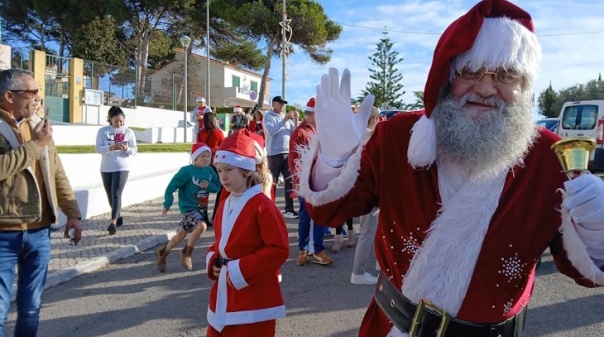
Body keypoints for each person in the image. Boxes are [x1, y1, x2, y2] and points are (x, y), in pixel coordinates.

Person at [297, 1, 604, 337]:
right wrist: (334, 157)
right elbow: (329, 212)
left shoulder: (549, 156)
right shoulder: (399, 136)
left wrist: (595, 226)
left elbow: (586, 272)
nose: (486, 89)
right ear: (446, 76)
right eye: (470, 71)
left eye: (506, 76)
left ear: (524, 86)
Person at [0, 69, 82, 337]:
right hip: (4, 234)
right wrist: (36, 144)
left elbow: (56, 172)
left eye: (37, 91)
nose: (37, 97)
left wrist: (72, 212)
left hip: (40, 232)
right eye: (31, 92)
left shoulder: (37, 126)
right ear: (9, 96)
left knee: (31, 309)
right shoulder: (33, 134)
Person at [206, 130, 289, 337]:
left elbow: (279, 249)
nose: (223, 176)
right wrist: (214, 261)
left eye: (228, 169)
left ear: (246, 170)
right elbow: (220, 244)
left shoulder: (263, 206)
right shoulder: (225, 204)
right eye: (219, 170)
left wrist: (238, 270)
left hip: (253, 296)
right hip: (224, 293)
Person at [156, 142, 219, 272]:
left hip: (200, 209)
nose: (206, 158)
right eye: (203, 156)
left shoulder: (210, 171)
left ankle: (163, 252)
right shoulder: (187, 171)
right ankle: (186, 252)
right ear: (194, 158)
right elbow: (171, 187)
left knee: (181, 234)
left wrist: (208, 186)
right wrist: (167, 203)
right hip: (188, 208)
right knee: (202, 226)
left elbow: (217, 188)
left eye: (208, 156)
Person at [289, 97, 332, 266]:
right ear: (313, 115)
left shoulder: (316, 131)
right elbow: (293, 160)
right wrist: (299, 182)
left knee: (318, 215)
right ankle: (304, 250)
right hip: (306, 183)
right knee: (306, 216)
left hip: (318, 181)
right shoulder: (299, 132)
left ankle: (317, 250)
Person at [95, 106, 138, 235]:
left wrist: (127, 149)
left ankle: (113, 222)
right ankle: (118, 217)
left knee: (116, 193)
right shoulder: (103, 131)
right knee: (110, 195)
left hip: (122, 166)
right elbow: (98, 148)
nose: (118, 124)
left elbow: (134, 150)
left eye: (121, 121)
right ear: (110, 119)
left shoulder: (129, 132)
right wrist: (111, 147)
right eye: (115, 121)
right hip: (106, 167)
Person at [350, 106, 380, 285]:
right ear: (375, 118)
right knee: (368, 231)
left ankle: (379, 263)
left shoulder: (356, 135)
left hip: (364, 187)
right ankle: (358, 272)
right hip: (371, 189)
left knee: (374, 229)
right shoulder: (370, 137)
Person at [264, 95, 298, 218]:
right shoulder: (268, 116)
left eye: (284, 104)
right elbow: (271, 131)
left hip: (287, 152)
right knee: (272, 182)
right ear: (274, 104)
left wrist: (294, 121)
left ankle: (289, 209)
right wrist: (284, 121)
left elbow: (293, 133)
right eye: (280, 103)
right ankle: (269, 208)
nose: (283, 106)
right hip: (274, 154)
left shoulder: (285, 118)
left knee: (289, 181)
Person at [197, 112, 225, 225]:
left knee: (203, 191)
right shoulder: (218, 133)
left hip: (202, 165)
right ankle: (216, 215)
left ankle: (202, 218)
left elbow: (198, 147)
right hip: (214, 165)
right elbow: (223, 147)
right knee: (220, 188)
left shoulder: (199, 133)